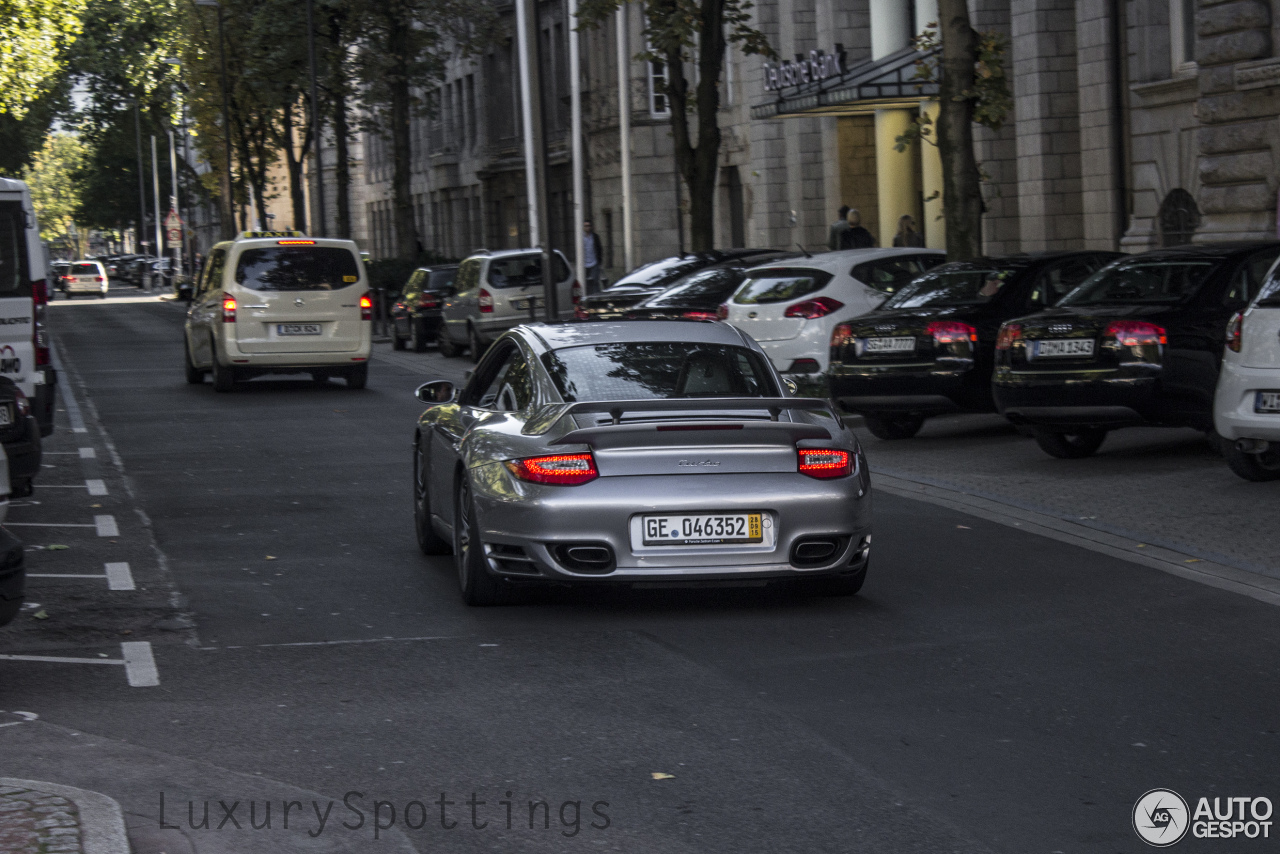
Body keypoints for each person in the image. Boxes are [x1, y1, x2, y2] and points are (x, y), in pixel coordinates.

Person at [582, 220, 604, 295]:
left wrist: (599, 261)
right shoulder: (580, 238)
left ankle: (596, 297)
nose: (587, 228)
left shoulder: (595, 237)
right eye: (585, 226)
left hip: (594, 263)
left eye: (588, 226)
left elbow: (599, 248)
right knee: (586, 283)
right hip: (584, 264)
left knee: (595, 282)